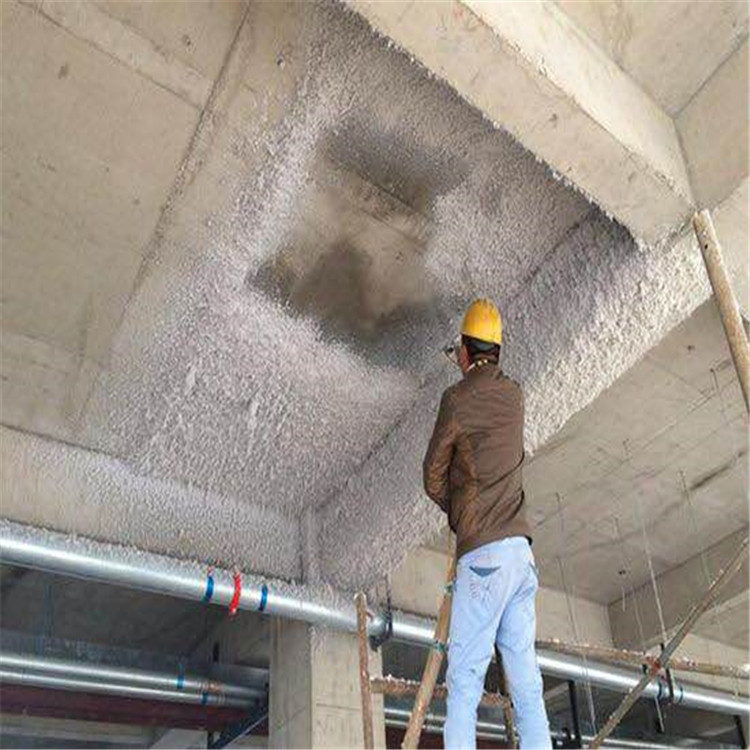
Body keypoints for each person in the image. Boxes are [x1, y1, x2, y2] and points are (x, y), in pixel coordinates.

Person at [423, 299, 552, 750]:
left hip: (484, 558)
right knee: (527, 681)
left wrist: (461, 512)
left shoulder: (456, 399)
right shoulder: (514, 395)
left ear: (464, 351)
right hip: (521, 556)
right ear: (497, 350)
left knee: (465, 679)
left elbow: (432, 474)